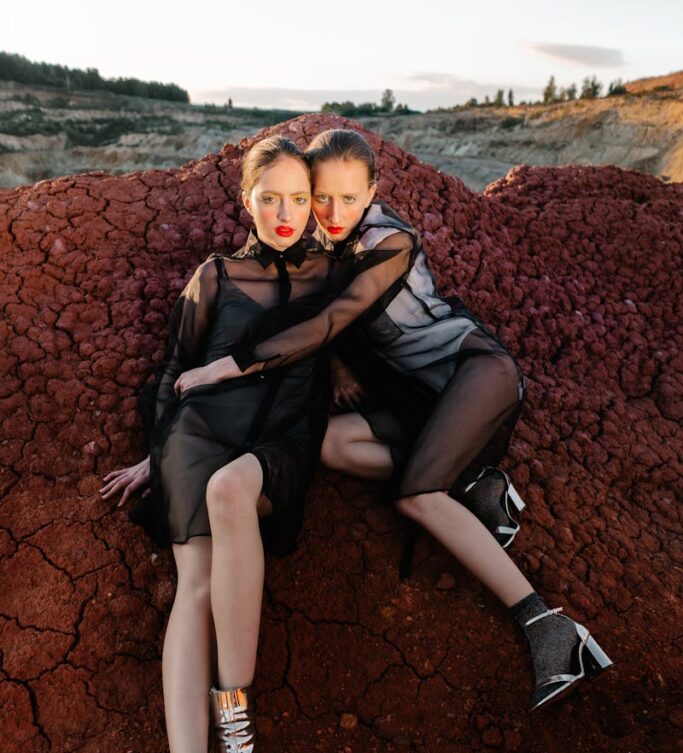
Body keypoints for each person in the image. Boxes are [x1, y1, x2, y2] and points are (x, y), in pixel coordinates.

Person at [219, 128, 612, 713]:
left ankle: (553, 629)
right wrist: (338, 363)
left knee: (416, 496)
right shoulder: (328, 245)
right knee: (331, 444)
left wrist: (232, 367)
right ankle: (477, 485)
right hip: (414, 398)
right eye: (320, 198)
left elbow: (336, 315)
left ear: (372, 191)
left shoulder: (390, 239)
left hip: (474, 374)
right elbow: (317, 313)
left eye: (349, 199)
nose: (332, 212)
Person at [100, 136, 337, 753]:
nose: (282, 213)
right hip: (198, 436)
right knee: (192, 583)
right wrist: (153, 453)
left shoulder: (331, 276)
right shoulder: (213, 276)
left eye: (297, 199)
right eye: (268, 197)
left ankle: (237, 733)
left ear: (313, 205)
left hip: (279, 447)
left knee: (238, 496)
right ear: (245, 200)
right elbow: (173, 371)